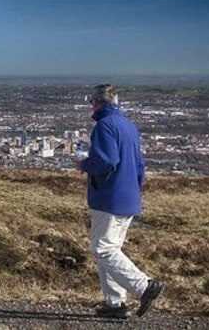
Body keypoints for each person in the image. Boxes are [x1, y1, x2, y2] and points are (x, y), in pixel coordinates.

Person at [75, 84, 162, 319]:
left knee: (102, 249)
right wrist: (134, 188)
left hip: (109, 197)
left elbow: (106, 161)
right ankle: (115, 303)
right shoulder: (129, 126)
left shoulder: (104, 126)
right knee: (111, 249)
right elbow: (139, 165)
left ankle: (143, 286)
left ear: (97, 102)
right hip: (128, 196)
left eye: (91, 101)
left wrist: (84, 164)